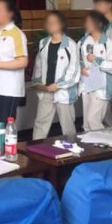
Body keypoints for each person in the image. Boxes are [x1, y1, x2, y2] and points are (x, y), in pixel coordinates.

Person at [31, 11, 80, 139]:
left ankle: (72, 147)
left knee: (68, 126)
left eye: (54, 22)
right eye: (48, 22)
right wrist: (37, 83)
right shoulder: (43, 43)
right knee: (40, 123)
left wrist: (58, 85)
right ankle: (36, 148)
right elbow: (38, 65)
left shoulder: (71, 45)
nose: (50, 25)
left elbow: (74, 71)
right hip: (46, 91)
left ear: (61, 24)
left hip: (63, 93)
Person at [78, 11, 112, 132]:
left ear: (99, 24)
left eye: (90, 22)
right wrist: (81, 68)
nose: (87, 24)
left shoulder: (107, 43)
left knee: (93, 120)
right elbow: (78, 60)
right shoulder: (83, 41)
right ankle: (90, 144)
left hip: (101, 87)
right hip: (86, 84)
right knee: (86, 124)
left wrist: (97, 60)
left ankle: (101, 142)